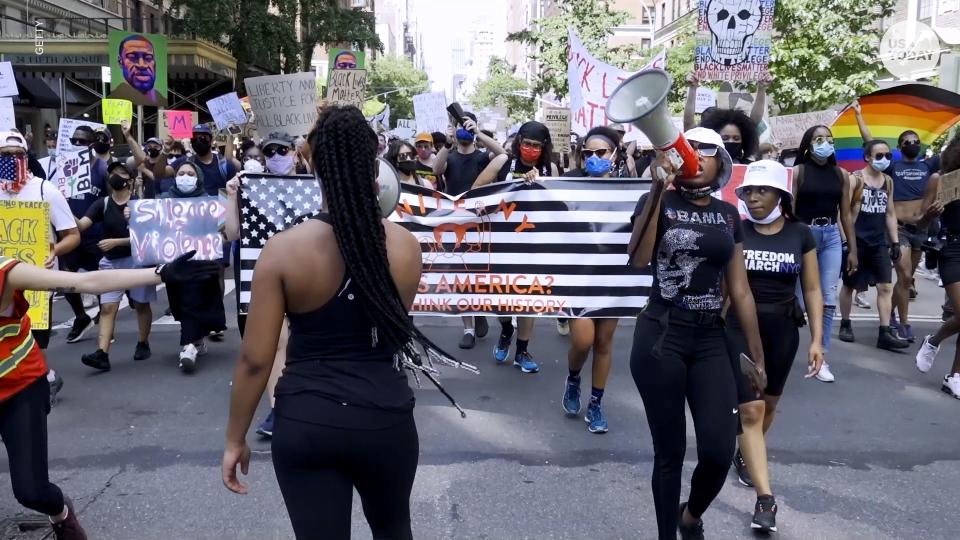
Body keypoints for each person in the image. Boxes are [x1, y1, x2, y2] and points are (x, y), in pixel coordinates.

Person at [221, 105, 476, 539]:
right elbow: (388, 330)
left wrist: (234, 439)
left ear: (311, 161)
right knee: (394, 530)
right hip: (384, 418)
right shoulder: (406, 248)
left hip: (307, 420)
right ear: (373, 162)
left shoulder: (282, 251)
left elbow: (254, 361)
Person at [1, 250, 217, 540]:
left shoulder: (6, 273)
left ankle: (61, 514)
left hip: (19, 388)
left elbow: (89, 281)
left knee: (32, 492)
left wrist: (159, 273)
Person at [628, 127, 764, 540]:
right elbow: (639, 259)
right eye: (688, 151)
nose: (695, 159)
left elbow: (739, 288)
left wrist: (756, 356)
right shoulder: (659, 200)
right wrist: (655, 189)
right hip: (662, 333)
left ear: (721, 162)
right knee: (669, 454)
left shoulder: (727, 215)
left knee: (719, 450)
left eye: (705, 153)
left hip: (709, 339)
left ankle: (690, 515)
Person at [725, 160, 824, 533]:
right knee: (749, 412)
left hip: (783, 331)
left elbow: (812, 289)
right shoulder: (737, 230)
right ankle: (765, 499)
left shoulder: (800, 235)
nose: (753, 197)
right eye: (748, 191)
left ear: (780, 194)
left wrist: (817, 340)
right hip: (738, 328)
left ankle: (746, 454)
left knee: (767, 408)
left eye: (762, 190)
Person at [473, 121, 559, 375]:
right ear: (518, 141)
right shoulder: (502, 162)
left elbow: (557, 202)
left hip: (533, 242)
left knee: (528, 299)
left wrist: (540, 184)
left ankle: (522, 350)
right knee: (500, 299)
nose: (530, 149)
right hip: (501, 241)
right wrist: (515, 185)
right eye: (526, 144)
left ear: (544, 147)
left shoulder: (550, 167)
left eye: (536, 146)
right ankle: (506, 328)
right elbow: (476, 191)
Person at [0, 130, 80, 402]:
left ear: (26, 156)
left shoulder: (46, 190)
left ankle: (41, 382)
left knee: (34, 341)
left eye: (17, 155)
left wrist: (54, 250)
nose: (11, 161)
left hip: (36, 282)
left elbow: (72, 235)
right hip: (2, 281)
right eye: (4, 156)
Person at [852, 100, 941, 342]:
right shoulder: (892, 165)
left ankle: (889, 314)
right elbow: (870, 142)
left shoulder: (928, 165)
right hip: (898, 230)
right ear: (900, 147)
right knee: (903, 276)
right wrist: (859, 116)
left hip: (920, 231)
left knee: (907, 278)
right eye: (908, 142)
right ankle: (904, 323)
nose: (913, 144)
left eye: (916, 141)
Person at [559, 126, 623, 433]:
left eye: (600, 153)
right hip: (578, 275)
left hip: (614, 277)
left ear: (614, 155)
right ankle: (573, 379)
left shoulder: (630, 189)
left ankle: (596, 404)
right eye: (588, 154)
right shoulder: (569, 185)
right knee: (583, 341)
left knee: (604, 342)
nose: (594, 158)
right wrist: (532, 182)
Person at [792, 124, 858, 383]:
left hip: (830, 235)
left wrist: (852, 248)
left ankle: (822, 355)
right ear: (808, 145)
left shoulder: (841, 175)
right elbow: (791, 209)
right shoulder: (798, 172)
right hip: (803, 235)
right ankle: (778, 352)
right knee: (797, 301)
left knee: (828, 296)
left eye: (829, 139)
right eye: (819, 139)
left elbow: (846, 215)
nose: (825, 143)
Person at [75, 162, 156, 371]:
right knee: (108, 306)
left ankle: (142, 342)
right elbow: (82, 225)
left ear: (129, 179)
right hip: (111, 262)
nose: (115, 176)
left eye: (120, 173)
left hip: (136, 261)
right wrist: (62, 206)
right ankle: (102, 353)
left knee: (140, 304)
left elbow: (146, 236)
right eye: (112, 173)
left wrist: (117, 242)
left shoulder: (139, 204)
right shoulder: (102, 204)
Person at [433, 111, 503, 348]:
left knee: (479, 273)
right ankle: (469, 329)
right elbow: (435, 170)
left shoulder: (483, 158)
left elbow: (503, 155)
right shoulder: (450, 156)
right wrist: (447, 142)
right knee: (461, 274)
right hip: (455, 224)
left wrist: (478, 133)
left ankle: (479, 308)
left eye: (465, 125)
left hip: (480, 222)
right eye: (458, 125)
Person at [837, 140, 909, 350]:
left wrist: (894, 241)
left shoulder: (888, 181)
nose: (884, 159)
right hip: (856, 242)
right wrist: (846, 244)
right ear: (867, 157)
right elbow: (843, 214)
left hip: (878, 243)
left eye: (887, 155)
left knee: (885, 286)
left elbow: (890, 212)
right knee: (849, 285)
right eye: (879, 156)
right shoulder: (854, 180)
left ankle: (884, 332)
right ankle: (845, 323)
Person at [161, 161, 227, 372]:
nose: (186, 177)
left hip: (201, 262)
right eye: (181, 173)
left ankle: (188, 346)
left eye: (191, 173)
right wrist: (132, 216)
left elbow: (224, 230)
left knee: (195, 300)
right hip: (175, 261)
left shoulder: (209, 202)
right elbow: (151, 224)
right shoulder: (164, 201)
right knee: (181, 302)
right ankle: (196, 341)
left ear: (198, 178)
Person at [916, 134, 960, 398]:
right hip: (953, 248)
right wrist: (930, 215)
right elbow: (920, 222)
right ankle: (933, 341)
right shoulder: (940, 179)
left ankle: (955, 376)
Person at [60, 125, 112, 345]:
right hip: (68, 234)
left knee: (99, 281)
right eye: (75, 141)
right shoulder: (62, 168)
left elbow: (112, 200)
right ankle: (81, 317)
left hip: (94, 234)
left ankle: (106, 319)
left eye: (82, 142)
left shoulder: (101, 168)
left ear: (91, 145)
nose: (78, 145)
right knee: (66, 279)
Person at [110, 33, 166, 106]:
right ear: (120, 61)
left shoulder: (162, 100)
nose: (142, 65)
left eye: (148, 57)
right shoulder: (115, 100)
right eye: (132, 57)